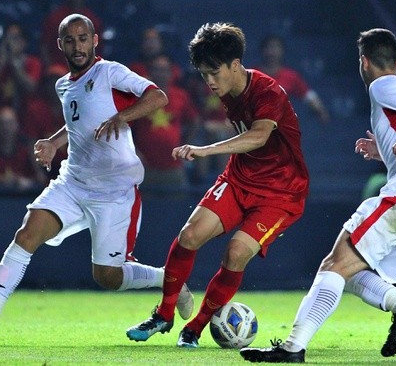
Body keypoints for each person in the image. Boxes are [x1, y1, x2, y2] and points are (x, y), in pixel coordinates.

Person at [0, 13, 193, 342]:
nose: (77, 45)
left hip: (115, 190)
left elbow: (158, 97)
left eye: (83, 38)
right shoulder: (63, 85)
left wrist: (122, 117)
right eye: (70, 40)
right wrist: (53, 142)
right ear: (60, 45)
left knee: (107, 277)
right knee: (27, 233)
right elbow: (78, 125)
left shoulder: (110, 72)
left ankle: (168, 280)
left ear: (94, 41)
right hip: (73, 183)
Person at [240, 28, 396, 363]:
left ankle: (293, 347)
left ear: (364, 62)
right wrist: (385, 151)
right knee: (351, 273)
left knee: (332, 264)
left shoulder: (383, 84)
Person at [126, 22, 310, 348]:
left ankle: (194, 329)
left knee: (236, 253)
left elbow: (259, 136)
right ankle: (165, 313)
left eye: (214, 73)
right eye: (203, 74)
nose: (209, 82)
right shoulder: (227, 89)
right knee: (189, 236)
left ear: (235, 65)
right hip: (240, 179)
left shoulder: (268, 92)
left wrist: (205, 149)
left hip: (281, 193)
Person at [131, 53, 200, 190]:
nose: (160, 74)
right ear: (149, 73)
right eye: (156, 70)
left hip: (174, 167)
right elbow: (124, 127)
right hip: (145, 168)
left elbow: (195, 121)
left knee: (180, 207)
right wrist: (134, 151)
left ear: (170, 73)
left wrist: (185, 146)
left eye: (164, 70)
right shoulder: (138, 97)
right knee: (145, 209)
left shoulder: (180, 96)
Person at [257, 35, 330, 123]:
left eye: (276, 47)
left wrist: (320, 111)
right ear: (262, 50)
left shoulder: (291, 76)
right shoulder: (251, 75)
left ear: (282, 51)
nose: (272, 52)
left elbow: (308, 95)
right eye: (269, 47)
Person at [0, 22, 42, 114]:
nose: (10, 42)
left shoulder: (33, 62)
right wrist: (1, 63)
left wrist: (14, 62)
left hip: (26, 114)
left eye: (15, 38)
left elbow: (31, 88)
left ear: (24, 42)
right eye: (7, 38)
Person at [40, 0, 103, 68]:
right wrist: (50, 68)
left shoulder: (93, 20)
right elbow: (44, 46)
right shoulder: (54, 18)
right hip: (59, 68)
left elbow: (98, 49)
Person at [0, 106, 46, 189]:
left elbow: (41, 180)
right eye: (2, 124)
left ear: (16, 125)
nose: (6, 128)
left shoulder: (27, 151)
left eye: (9, 123)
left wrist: (29, 182)